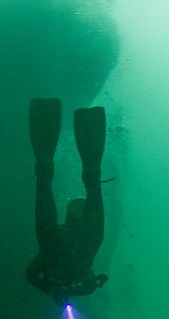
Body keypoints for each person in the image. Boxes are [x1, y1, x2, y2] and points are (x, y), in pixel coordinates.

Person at [26, 97, 109, 307]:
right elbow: (32, 274)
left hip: (70, 242)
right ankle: (48, 163)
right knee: (45, 182)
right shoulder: (79, 269)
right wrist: (59, 290)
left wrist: (56, 290)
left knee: (92, 185)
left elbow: (31, 274)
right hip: (60, 243)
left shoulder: (80, 259)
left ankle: (88, 170)